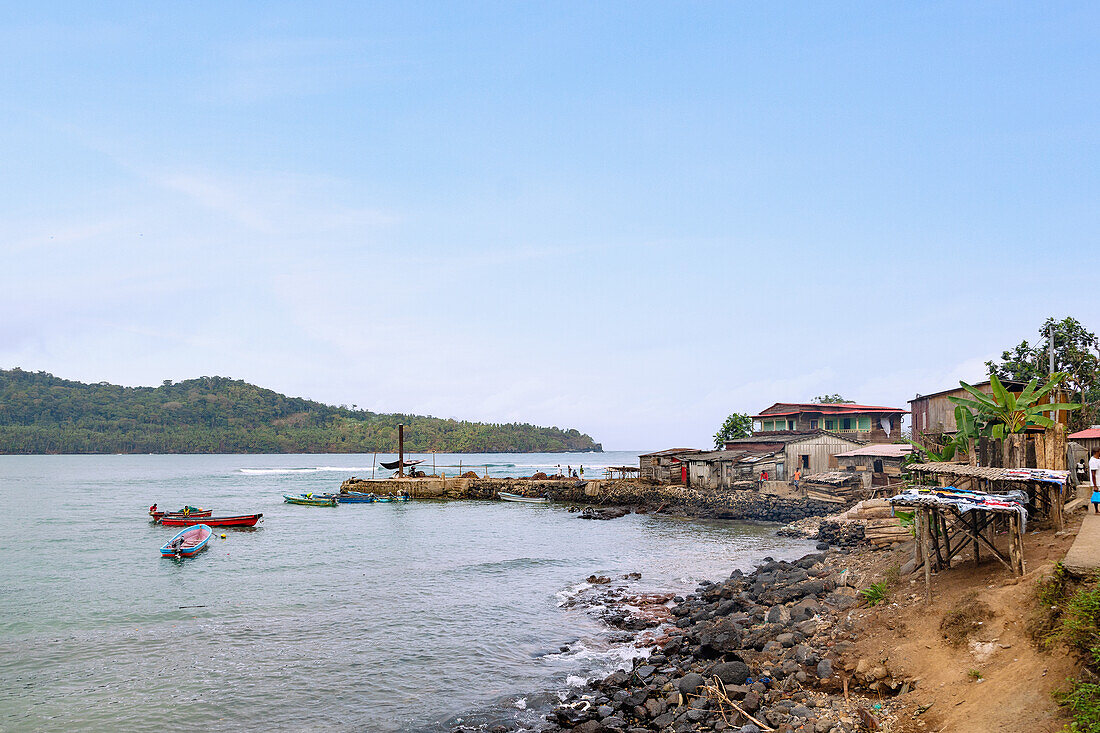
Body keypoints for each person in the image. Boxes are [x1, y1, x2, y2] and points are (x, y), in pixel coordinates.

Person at [1090, 449, 1100, 515]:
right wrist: (1095, 485)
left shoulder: (1098, 459)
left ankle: (1097, 510)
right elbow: (1093, 474)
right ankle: (1096, 510)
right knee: (1096, 496)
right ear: (1097, 452)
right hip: (1097, 482)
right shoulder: (1093, 461)